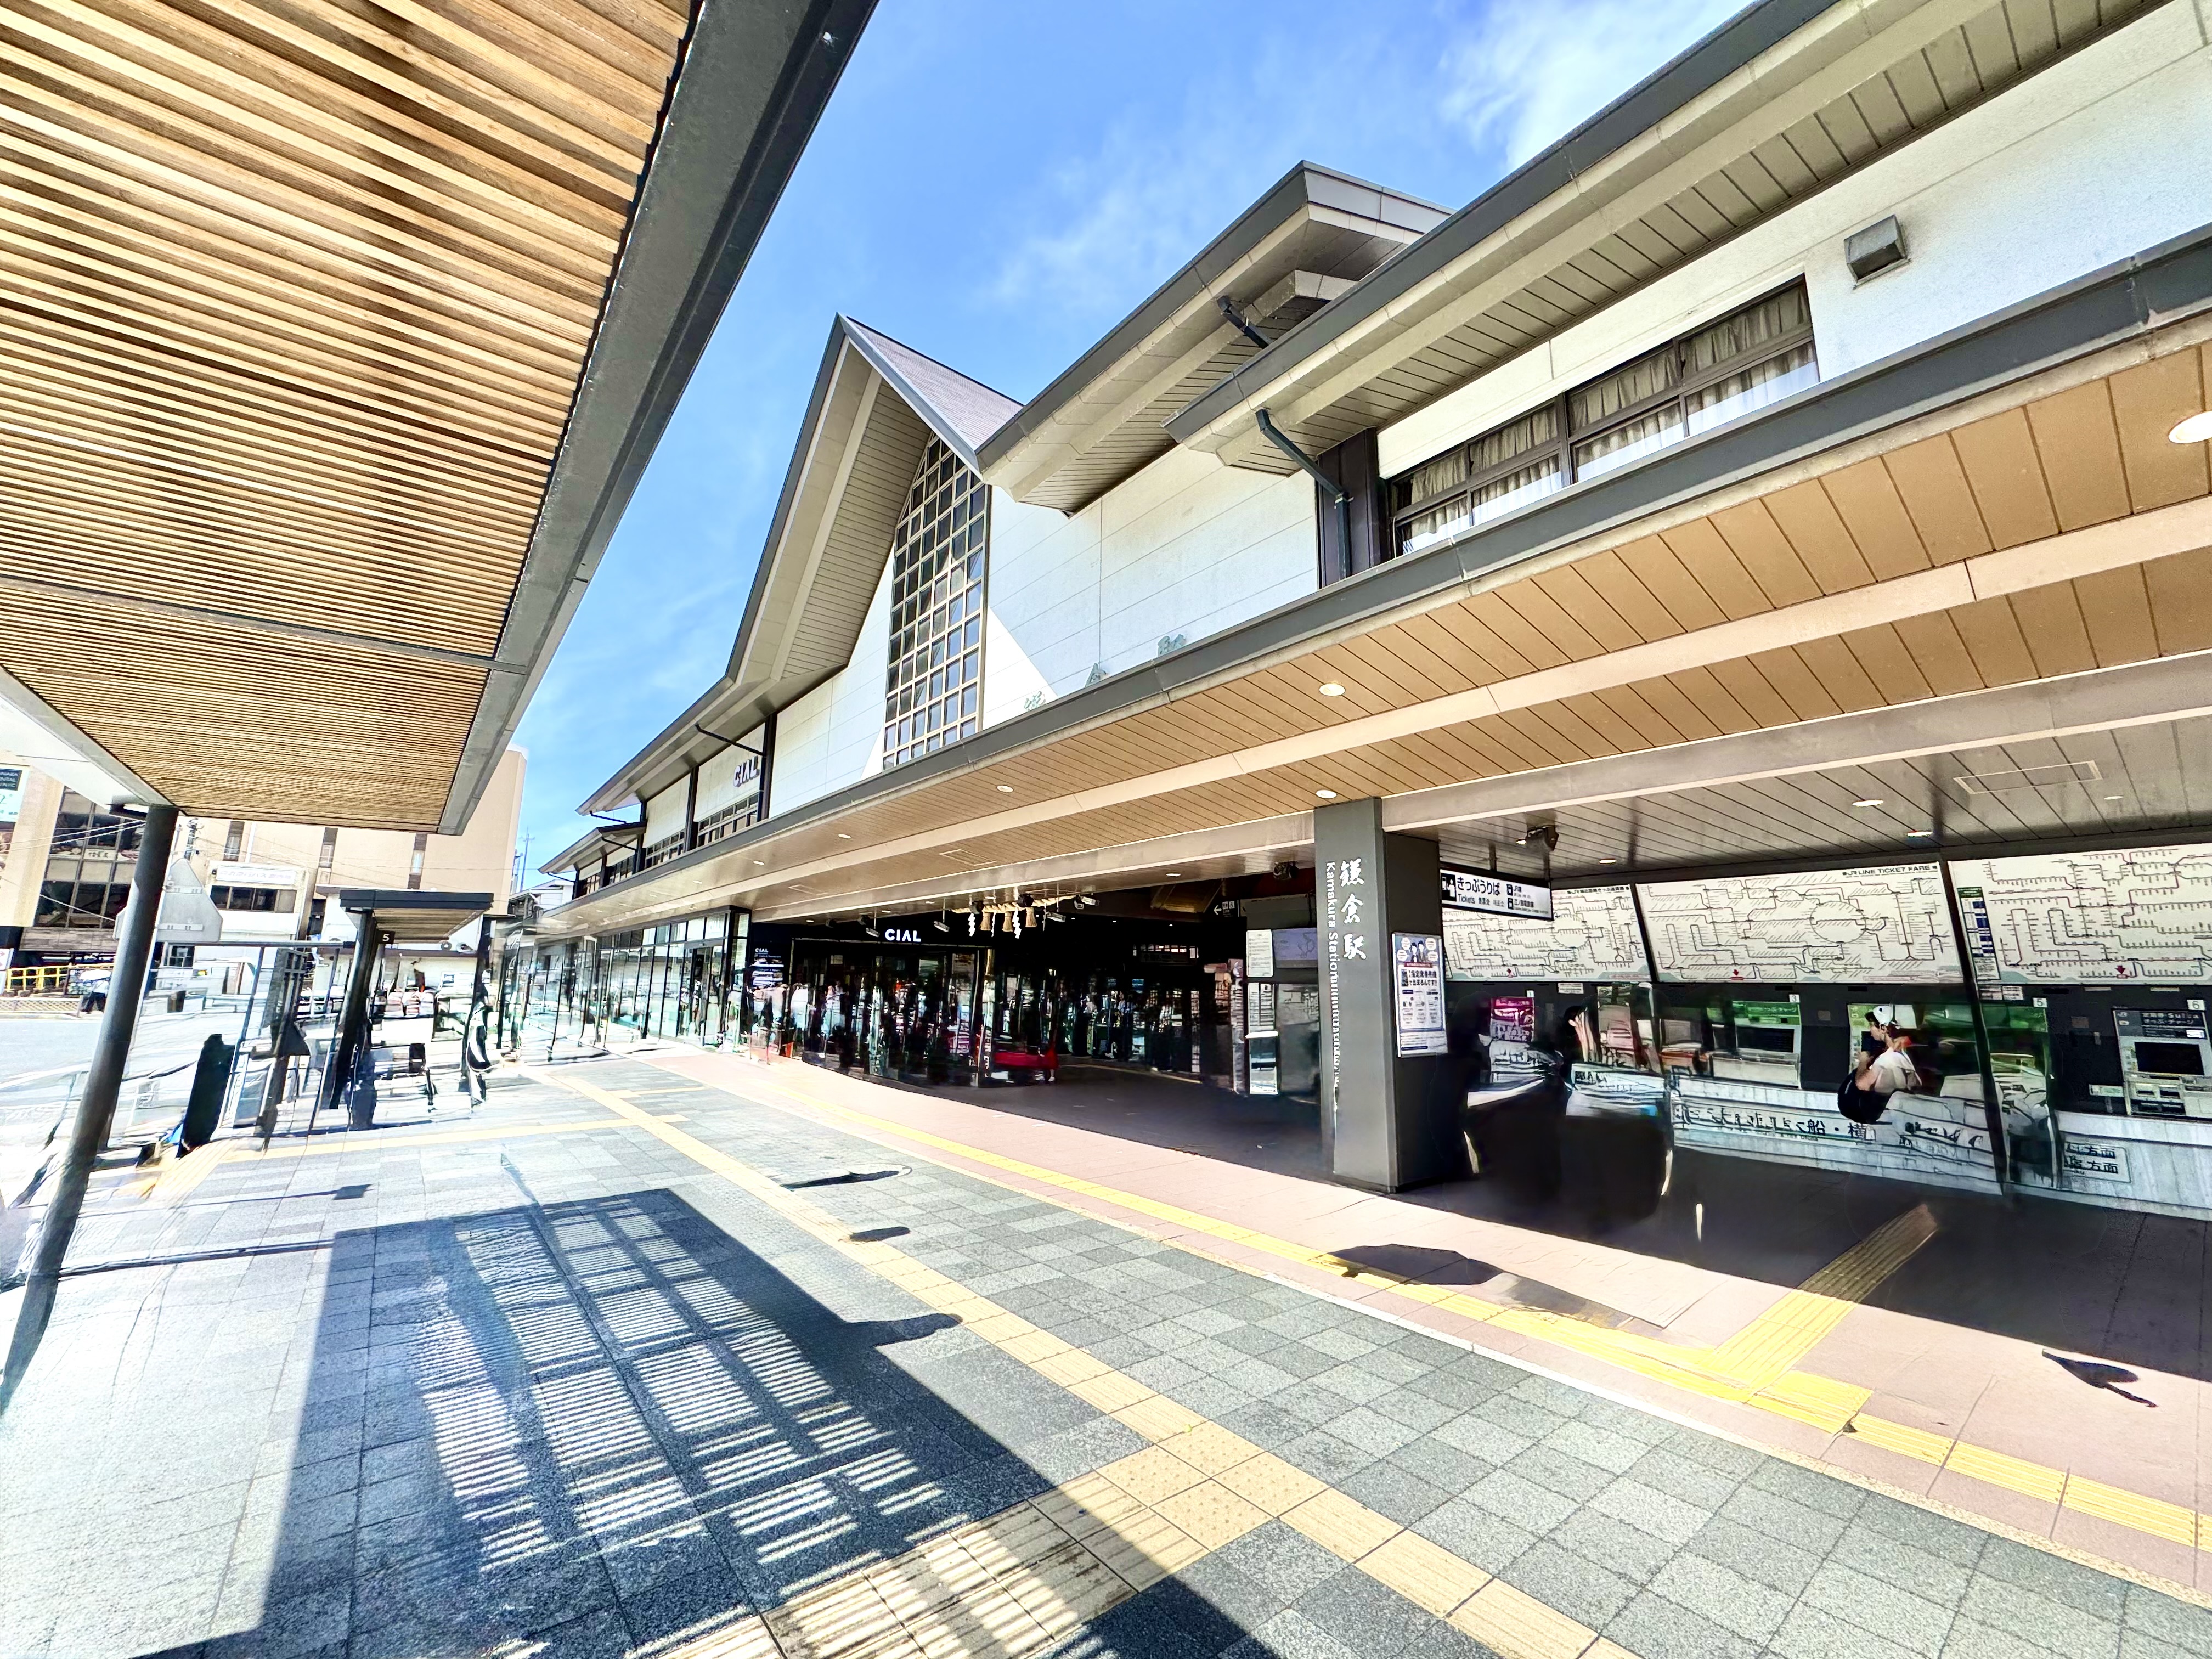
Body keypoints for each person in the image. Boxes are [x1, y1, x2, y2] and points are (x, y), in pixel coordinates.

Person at [1857, 1024, 1922, 1101]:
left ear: (1883, 1029)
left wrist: (1863, 1059)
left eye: (1871, 1025)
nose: (1870, 1032)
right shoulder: (1905, 1047)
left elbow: (1862, 1084)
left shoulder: (1887, 1060)